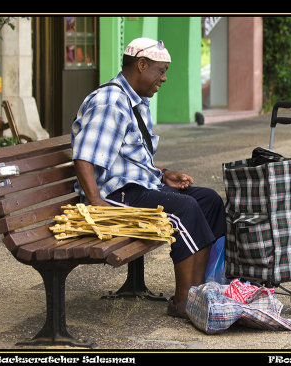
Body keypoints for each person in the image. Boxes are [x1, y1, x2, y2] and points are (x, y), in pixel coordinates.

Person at [71, 37, 226, 318]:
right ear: (141, 65)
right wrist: (95, 203)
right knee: (184, 209)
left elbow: (129, 159)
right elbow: (84, 156)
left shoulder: (136, 100)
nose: (164, 78)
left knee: (209, 200)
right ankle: (183, 301)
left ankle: (201, 291)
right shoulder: (110, 101)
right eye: (161, 70)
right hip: (113, 196)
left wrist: (163, 174)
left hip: (137, 187)